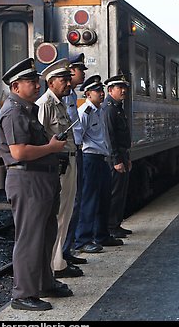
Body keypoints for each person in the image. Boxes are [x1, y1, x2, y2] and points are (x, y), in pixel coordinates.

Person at [0, 58, 72, 311]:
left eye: (36, 81)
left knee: (46, 234)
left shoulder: (26, 109)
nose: (37, 86)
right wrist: (51, 147)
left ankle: (44, 282)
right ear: (16, 86)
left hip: (40, 178)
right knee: (30, 238)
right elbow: (19, 152)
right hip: (28, 179)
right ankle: (23, 294)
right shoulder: (14, 112)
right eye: (31, 82)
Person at [35, 58, 83, 279]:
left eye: (67, 79)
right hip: (59, 164)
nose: (68, 83)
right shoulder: (45, 104)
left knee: (66, 212)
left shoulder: (60, 103)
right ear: (51, 82)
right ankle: (55, 264)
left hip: (69, 160)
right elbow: (41, 137)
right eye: (63, 80)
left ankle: (58, 260)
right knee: (58, 214)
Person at [74, 75, 124, 254]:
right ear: (88, 94)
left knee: (104, 198)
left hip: (101, 159)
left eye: (102, 91)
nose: (101, 94)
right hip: (90, 159)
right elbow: (79, 139)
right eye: (97, 91)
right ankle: (83, 240)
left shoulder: (100, 110)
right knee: (89, 200)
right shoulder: (84, 112)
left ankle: (102, 235)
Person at [61, 54, 88, 266]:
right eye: (80, 70)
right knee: (68, 204)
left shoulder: (70, 96)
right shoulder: (62, 98)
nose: (82, 73)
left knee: (74, 203)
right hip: (67, 154)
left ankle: (67, 250)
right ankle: (62, 252)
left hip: (75, 151)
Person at [103, 74, 134, 239]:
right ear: (110, 90)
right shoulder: (109, 108)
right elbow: (110, 137)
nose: (123, 91)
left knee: (121, 193)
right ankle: (111, 227)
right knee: (115, 193)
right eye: (119, 88)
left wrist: (126, 157)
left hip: (122, 153)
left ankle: (116, 225)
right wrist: (116, 160)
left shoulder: (118, 107)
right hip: (115, 157)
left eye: (124, 88)